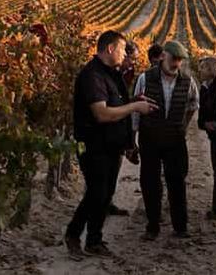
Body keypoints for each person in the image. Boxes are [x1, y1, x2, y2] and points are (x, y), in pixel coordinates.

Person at [65, 31, 159, 260]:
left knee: (106, 194)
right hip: (94, 144)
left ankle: (94, 240)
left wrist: (135, 102)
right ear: (109, 49)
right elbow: (102, 113)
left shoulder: (112, 74)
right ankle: (73, 235)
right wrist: (134, 108)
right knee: (96, 193)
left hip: (112, 145)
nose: (124, 53)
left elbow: (119, 104)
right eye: (121, 49)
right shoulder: (92, 76)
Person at [132, 40, 199, 240]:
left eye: (180, 60)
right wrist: (133, 137)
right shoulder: (145, 78)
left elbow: (194, 105)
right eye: (173, 58)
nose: (176, 63)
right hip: (150, 138)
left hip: (175, 140)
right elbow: (136, 107)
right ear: (162, 56)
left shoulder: (188, 81)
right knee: (150, 182)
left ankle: (180, 227)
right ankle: (152, 226)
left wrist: (182, 126)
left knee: (177, 182)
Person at [105, 40, 141, 218]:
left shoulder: (128, 71)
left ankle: (108, 201)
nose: (134, 63)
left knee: (115, 165)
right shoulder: (107, 72)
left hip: (118, 122)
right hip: (105, 124)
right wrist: (133, 102)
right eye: (132, 59)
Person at [196, 56, 216, 220]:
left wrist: (215, 124)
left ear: (211, 70)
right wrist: (205, 123)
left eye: (202, 68)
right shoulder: (205, 88)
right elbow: (201, 118)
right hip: (214, 136)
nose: (199, 70)